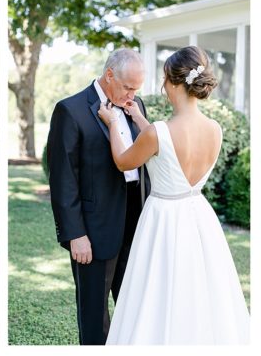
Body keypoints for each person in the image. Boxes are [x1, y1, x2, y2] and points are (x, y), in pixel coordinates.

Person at [101, 46, 249, 344]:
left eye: (165, 80)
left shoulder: (158, 132)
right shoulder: (215, 129)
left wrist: (114, 122)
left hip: (164, 219)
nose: (162, 87)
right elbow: (163, 148)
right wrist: (138, 118)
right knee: (199, 290)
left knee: (157, 289)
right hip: (198, 217)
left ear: (173, 83)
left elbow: (124, 160)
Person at [46, 49, 150, 345]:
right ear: (109, 76)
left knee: (134, 305)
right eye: (128, 87)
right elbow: (63, 178)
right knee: (94, 313)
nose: (132, 95)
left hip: (136, 218)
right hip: (94, 227)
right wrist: (75, 233)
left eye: (137, 89)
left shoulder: (136, 105)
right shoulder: (71, 109)